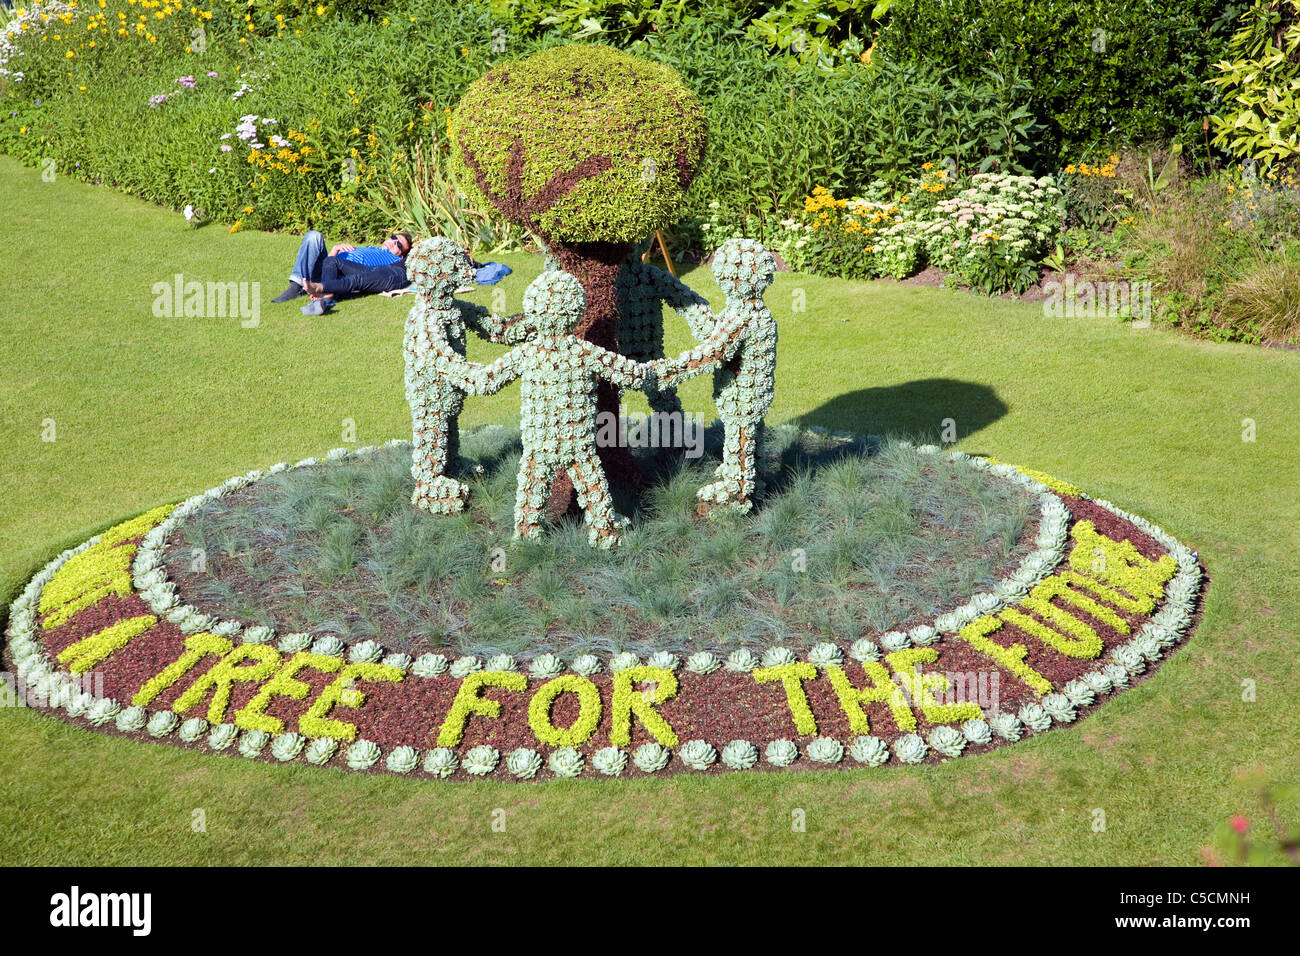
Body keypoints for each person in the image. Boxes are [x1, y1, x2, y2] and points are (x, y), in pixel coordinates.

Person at [272, 229, 413, 312]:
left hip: (341, 275)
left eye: (398, 244)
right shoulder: (370, 248)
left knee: (332, 263)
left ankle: (321, 293)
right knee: (313, 236)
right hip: (329, 267)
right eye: (394, 238)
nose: (393, 242)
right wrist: (335, 249)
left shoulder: (393, 260)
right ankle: (296, 286)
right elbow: (329, 262)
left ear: (401, 254)